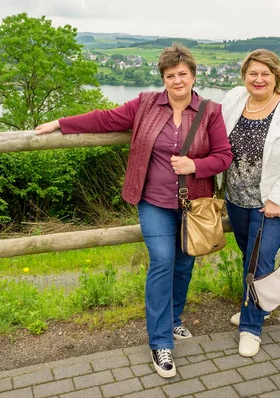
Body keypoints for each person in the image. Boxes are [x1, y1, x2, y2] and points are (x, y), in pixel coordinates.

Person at [36, 43, 232, 378]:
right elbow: (105, 118)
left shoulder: (210, 111)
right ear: (163, 78)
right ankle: (160, 344)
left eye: (183, 74)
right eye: (170, 75)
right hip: (152, 200)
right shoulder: (144, 105)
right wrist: (61, 122)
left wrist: (194, 165)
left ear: (193, 75)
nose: (177, 80)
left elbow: (224, 156)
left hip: (192, 205)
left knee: (185, 263)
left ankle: (173, 320)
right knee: (162, 261)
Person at [220, 49, 280, 357]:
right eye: (253, 73)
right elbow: (207, 120)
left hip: (275, 202)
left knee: (260, 261)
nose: (258, 79)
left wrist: (277, 199)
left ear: (276, 77)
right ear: (244, 76)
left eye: (266, 74)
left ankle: (251, 327)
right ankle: (260, 305)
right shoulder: (234, 99)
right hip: (237, 198)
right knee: (250, 256)